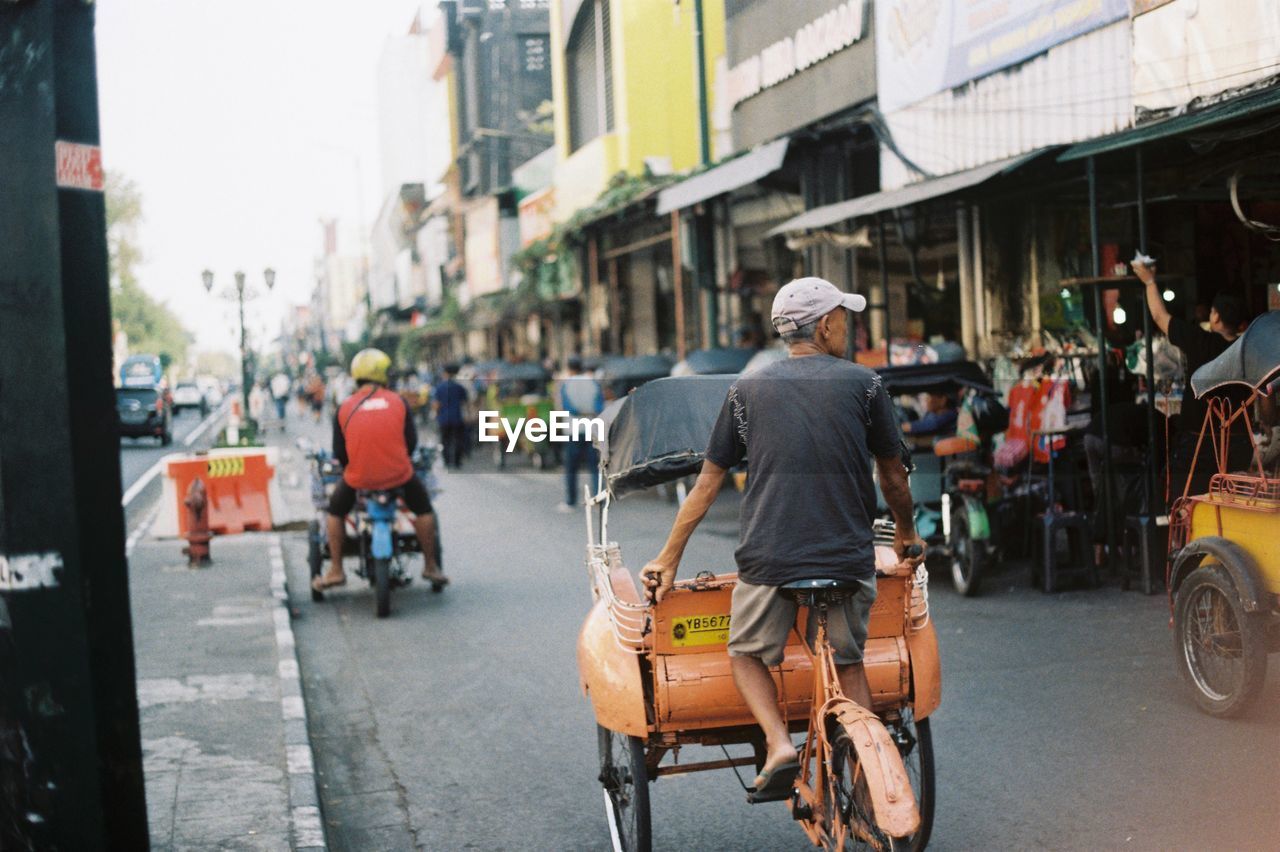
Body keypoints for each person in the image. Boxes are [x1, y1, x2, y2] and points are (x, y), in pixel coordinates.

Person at [639, 277, 925, 798]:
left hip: (770, 559)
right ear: (826, 325)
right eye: (843, 318)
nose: (847, 327)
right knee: (848, 659)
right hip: (846, 554)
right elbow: (892, 478)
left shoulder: (746, 390)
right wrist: (906, 534)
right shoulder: (865, 384)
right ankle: (865, 777)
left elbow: (707, 484)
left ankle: (779, 745)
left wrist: (667, 558)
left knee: (746, 653)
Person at [312, 349, 448, 593]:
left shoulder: (345, 407)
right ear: (383, 374)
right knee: (424, 508)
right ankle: (430, 566)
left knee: (334, 512)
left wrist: (356, 468)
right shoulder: (398, 402)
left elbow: (340, 454)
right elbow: (411, 444)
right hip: (399, 475)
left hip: (358, 479)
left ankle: (335, 570)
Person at [1134, 259, 1250, 498]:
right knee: (1230, 509)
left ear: (1215, 317)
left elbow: (1159, 315)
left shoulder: (1201, 341)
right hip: (1238, 447)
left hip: (1199, 446)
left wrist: (1149, 281)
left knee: (1186, 509)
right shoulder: (1249, 350)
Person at [558, 355, 604, 512]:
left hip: (573, 430)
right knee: (595, 466)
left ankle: (571, 501)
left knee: (571, 468)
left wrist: (579, 412)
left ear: (569, 369)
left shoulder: (566, 385)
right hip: (591, 428)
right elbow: (599, 406)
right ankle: (599, 499)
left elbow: (568, 407)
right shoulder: (592, 383)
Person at [432, 364, 468, 469]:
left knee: (445, 440)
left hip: (443, 418)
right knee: (458, 439)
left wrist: (435, 414)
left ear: (445, 373)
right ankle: (457, 461)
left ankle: (447, 461)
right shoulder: (459, 387)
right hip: (457, 417)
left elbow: (436, 404)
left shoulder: (439, 387)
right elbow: (465, 402)